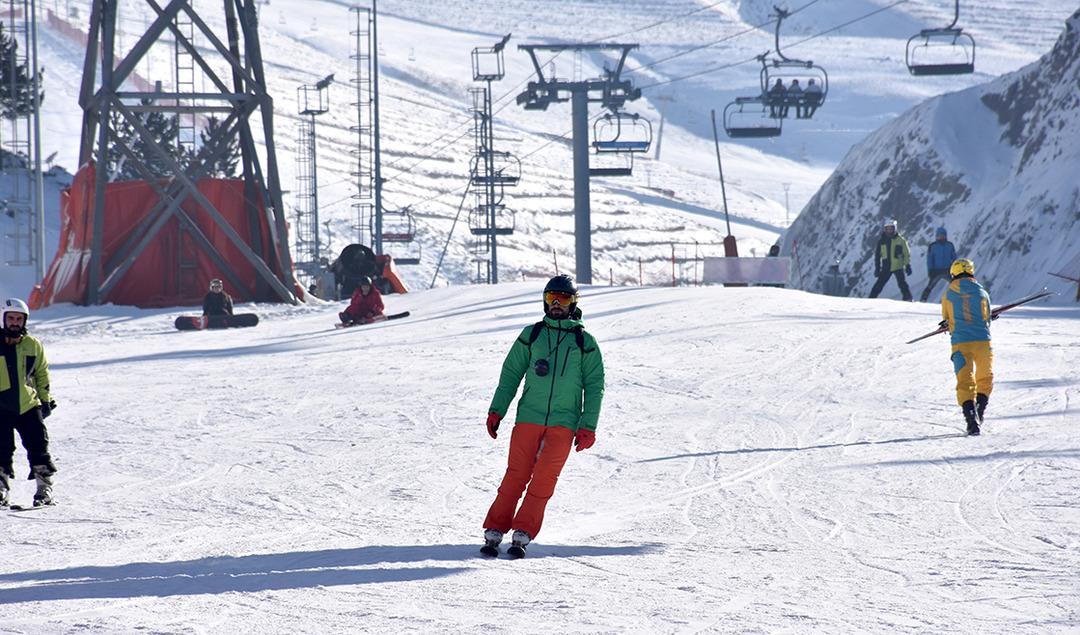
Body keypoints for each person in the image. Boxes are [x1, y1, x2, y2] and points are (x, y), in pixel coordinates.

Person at [481, 275, 605, 558]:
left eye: (563, 299)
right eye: (551, 299)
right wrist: (497, 409)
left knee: (544, 479)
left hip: (564, 422)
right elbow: (510, 374)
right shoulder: (531, 334)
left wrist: (588, 426)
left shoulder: (585, 342)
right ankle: (495, 529)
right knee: (516, 475)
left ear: (573, 303)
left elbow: (595, 386)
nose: (557, 304)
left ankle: (523, 531)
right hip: (529, 417)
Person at [0, 298, 57, 507]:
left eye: (19, 319)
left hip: (28, 405)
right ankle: (1, 487)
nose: (15, 322)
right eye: (11, 318)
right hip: (1, 407)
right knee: (2, 448)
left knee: (38, 445)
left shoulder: (33, 344)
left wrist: (46, 400)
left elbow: (41, 373)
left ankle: (44, 488)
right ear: (3, 319)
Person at [940, 258, 992, 435]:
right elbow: (987, 318)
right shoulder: (982, 293)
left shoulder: (948, 293)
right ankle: (980, 409)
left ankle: (971, 421)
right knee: (985, 377)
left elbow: (947, 318)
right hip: (983, 341)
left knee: (965, 381)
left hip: (961, 342)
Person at [868, 219, 913, 301]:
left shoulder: (901, 240)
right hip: (886, 266)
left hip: (898, 266)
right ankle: (871, 299)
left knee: (902, 283)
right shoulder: (882, 241)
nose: (889, 230)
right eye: (887, 228)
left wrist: (907, 265)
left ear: (895, 228)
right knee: (879, 284)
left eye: (891, 228)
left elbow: (906, 254)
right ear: (885, 229)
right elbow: (877, 256)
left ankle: (908, 298)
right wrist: (877, 268)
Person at [919, 227, 957, 302]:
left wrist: (955, 268)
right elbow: (930, 259)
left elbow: (954, 257)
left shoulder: (950, 245)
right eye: (939, 235)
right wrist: (930, 270)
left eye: (943, 235)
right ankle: (923, 300)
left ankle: (961, 300)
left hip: (948, 270)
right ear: (936, 236)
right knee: (930, 286)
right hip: (936, 271)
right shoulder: (933, 246)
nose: (941, 237)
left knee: (956, 284)